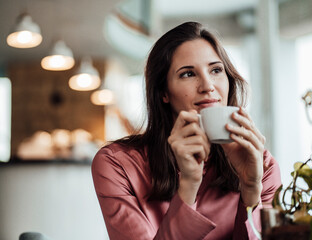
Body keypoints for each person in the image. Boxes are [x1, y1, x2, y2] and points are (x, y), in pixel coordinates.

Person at [92, 22, 281, 240]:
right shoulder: (117, 164)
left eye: (216, 70)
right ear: (163, 92)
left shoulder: (261, 165)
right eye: (188, 74)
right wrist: (189, 185)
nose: (208, 85)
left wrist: (250, 190)